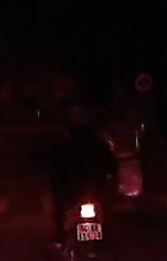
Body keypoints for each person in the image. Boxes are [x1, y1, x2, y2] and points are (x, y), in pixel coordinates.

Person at [47, 102, 118, 249]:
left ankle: (61, 237)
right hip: (81, 188)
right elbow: (111, 165)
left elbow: (110, 165)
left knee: (61, 205)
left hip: (83, 188)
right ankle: (62, 237)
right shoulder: (86, 142)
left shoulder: (73, 142)